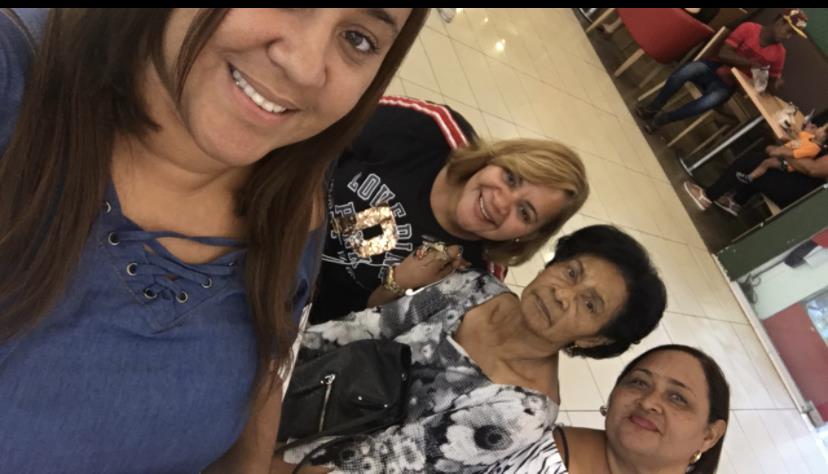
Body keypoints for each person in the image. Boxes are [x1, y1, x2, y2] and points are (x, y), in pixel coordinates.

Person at [0, 8, 430, 473]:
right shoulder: (16, 81)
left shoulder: (295, 196)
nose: (305, 67)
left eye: (358, 39)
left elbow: (265, 370)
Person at [276, 225, 667, 472]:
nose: (563, 295)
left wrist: (266, 457)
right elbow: (362, 328)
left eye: (589, 304)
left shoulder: (522, 411)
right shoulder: (474, 287)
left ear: (595, 339)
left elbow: (379, 464)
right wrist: (272, 367)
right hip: (302, 393)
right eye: (570, 272)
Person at [309, 97, 588, 324]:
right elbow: (325, 132)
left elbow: (363, 330)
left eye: (524, 213)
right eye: (510, 177)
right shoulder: (431, 129)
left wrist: (396, 286)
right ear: (495, 159)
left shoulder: (475, 280)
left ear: (527, 236)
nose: (501, 203)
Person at [485, 344, 730, 474]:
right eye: (639, 382)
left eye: (677, 398)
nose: (648, 402)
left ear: (709, 435)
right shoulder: (535, 448)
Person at [636, 8, 808, 133]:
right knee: (684, 72)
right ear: (780, 21)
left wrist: (776, 84)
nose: (788, 37)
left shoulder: (779, 54)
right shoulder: (749, 28)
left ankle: (663, 120)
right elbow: (723, 53)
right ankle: (653, 107)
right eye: (788, 31)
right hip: (713, 66)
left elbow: (769, 86)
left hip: (728, 83)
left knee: (706, 103)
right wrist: (750, 63)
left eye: (792, 35)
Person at [684, 121, 828, 217]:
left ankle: (707, 196)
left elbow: (813, 170)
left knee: (752, 161)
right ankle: (735, 202)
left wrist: (781, 152)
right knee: (763, 157)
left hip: (798, 195)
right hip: (796, 180)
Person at [737, 122, 828, 183]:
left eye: (822, 128)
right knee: (768, 148)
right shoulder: (811, 137)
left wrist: (779, 152)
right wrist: (806, 126)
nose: (819, 127)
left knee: (766, 163)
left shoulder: (813, 148)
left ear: (824, 137)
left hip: (788, 164)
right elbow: (802, 135)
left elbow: (794, 154)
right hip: (785, 152)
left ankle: (749, 177)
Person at [597, 8, 720, 38]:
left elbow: (693, 10)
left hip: (672, 29)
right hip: (671, 27)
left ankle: (612, 27)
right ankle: (612, 27)